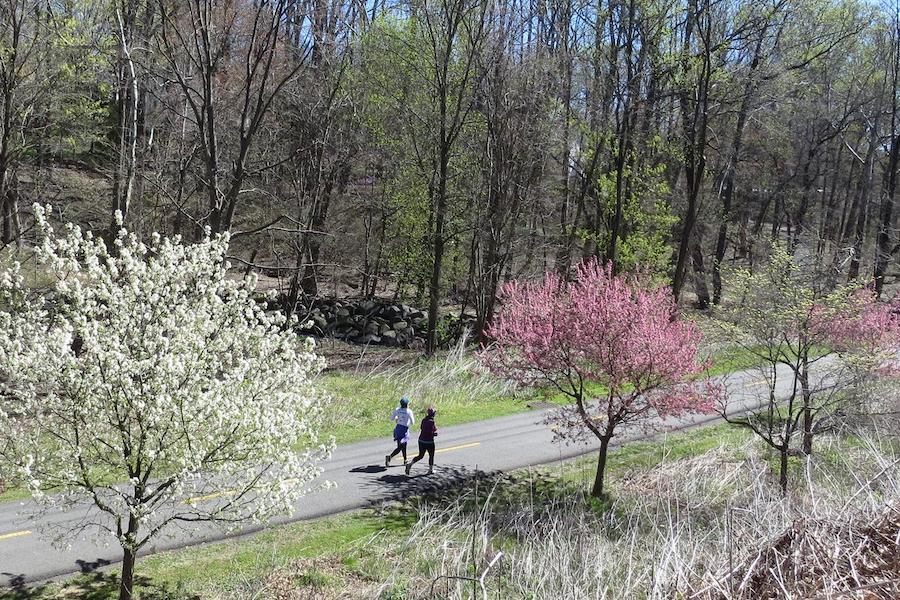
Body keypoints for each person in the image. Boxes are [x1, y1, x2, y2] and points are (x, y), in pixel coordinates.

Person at [405, 406, 438, 475]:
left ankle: (410, 464)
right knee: (431, 455)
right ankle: (430, 470)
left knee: (420, 455)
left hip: (421, 440)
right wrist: (435, 434)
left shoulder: (424, 420)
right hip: (429, 442)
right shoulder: (432, 421)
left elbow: (422, 428)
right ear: (433, 414)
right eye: (435, 413)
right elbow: (431, 432)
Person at [386, 397, 414, 467]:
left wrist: (397, 418)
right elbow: (413, 422)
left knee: (403, 445)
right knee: (400, 447)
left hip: (398, 429)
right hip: (404, 430)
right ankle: (389, 457)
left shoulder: (397, 410)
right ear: (407, 404)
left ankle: (405, 460)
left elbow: (392, 418)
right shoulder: (409, 411)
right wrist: (406, 422)